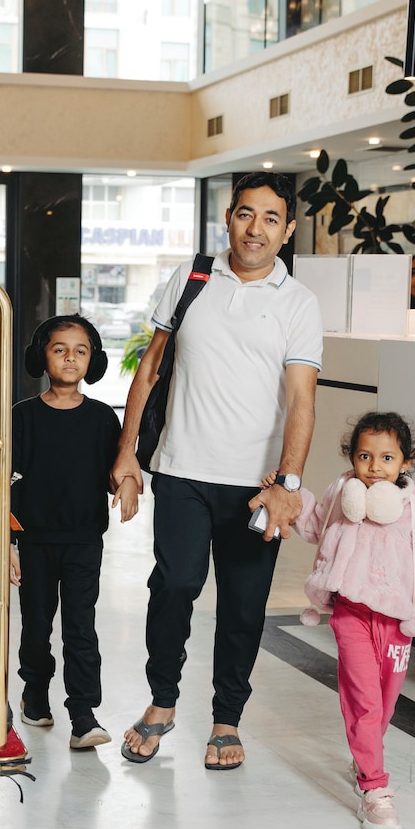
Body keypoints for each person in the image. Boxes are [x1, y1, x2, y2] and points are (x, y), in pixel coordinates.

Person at [112, 171, 324, 767]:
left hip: (256, 487)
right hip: (181, 468)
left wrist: (287, 484)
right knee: (174, 585)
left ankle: (227, 718)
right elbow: (150, 368)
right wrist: (128, 451)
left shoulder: (299, 303)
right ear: (228, 217)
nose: (255, 229)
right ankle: (162, 702)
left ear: (287, 230)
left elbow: (302, 401)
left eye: (271, 218)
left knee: (243, 605)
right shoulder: (192, 277)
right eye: (245, 214)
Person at [283, 411, 415, 829]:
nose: (374, 466)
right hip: (351, 613)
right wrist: (291, 497)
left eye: (387, 458)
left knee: (383, 704)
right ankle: (374, 788)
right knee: (363, 701)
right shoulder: (344, 494)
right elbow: (316, 525)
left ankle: (364, 757)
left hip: (397, 624)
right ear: (352, 457)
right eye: (364, 456)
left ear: (406, 462)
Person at [10, 314, 139, 749]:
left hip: (84, 541)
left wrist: (127, 483)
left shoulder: (103, 418)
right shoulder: (22, 416)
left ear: (93, 360)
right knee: (36, 625)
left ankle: (83, 714)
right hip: (34, 542)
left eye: (80, 351)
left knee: (81, 628)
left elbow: (115, 471)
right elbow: (6, 484)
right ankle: (34, 692)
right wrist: (8, 542)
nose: (70, 357)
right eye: (59, 349)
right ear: (41, 357)